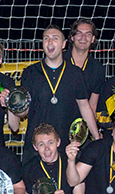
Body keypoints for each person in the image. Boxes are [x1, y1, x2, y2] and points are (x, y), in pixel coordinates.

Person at [16, 25, 100, 159]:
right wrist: (13, 106)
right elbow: (24, 111)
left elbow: (84, 106)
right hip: (39, 146)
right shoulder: (30, 73)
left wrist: (96, 138)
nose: (50, 42)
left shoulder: (75, 73)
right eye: (46, 38)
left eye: (55, 38)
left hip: (68, 145)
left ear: (63, 44)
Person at [63, 19, 106, 111]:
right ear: (72, 37)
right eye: (79, 33)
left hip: (82, 121)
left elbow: (92, 106)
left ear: (93, 39)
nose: (83, 38)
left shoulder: (97, 68)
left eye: (88, 34)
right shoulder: (59, 61)